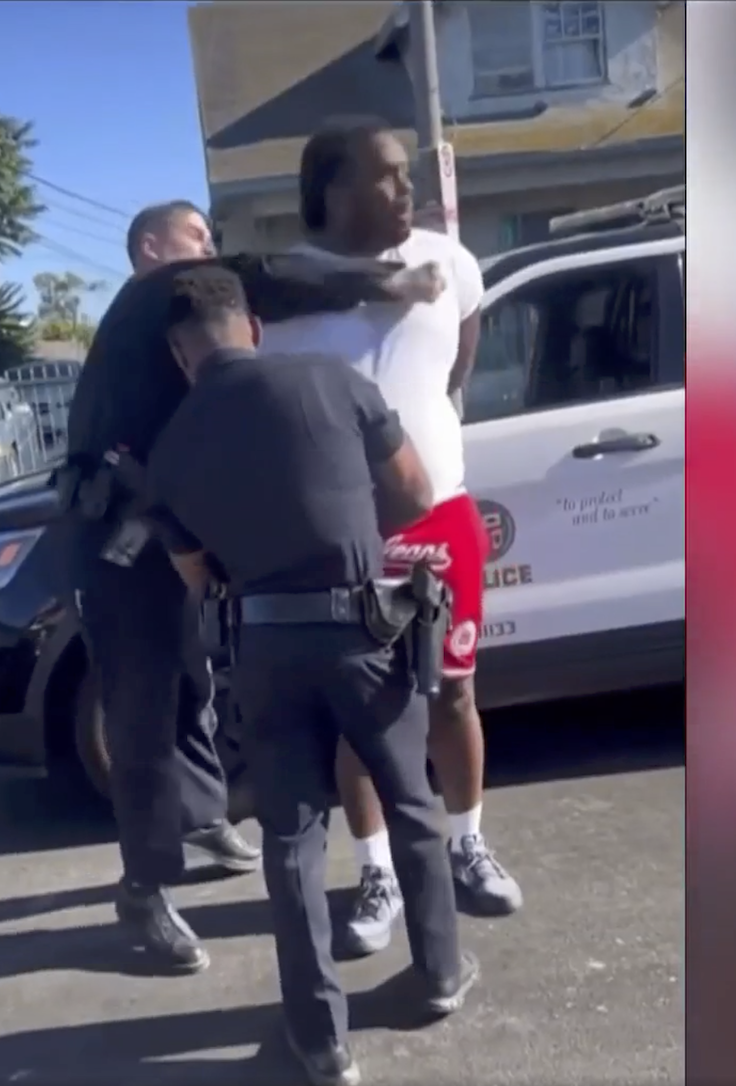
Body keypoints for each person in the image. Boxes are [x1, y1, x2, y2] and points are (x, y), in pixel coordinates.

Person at [63, 199, 447, 974]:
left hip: (172, 521)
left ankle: (201, 816)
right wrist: (388, 282)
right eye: (198, 236)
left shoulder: (162, 341)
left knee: (192, 677)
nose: (211, 247)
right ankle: (143, 890)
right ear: (151, 249)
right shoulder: (153, 293)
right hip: (122, 542)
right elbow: (258, 277)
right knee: (139, 712)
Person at [146, 265, 479, 1086]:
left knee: (290, 837)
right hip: (365, 630)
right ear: (251, 327)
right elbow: (414, 492)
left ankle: (321, 1041)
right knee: (408, 798)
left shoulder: (170, 448)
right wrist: (347, 534)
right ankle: (438, 974)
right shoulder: (333, 381)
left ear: (179, 355)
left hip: (261, 650)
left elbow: (199, 580)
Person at [257, 118, 524, 958]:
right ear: (332, 191)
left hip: (441, 516)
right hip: (346, 538)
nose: (406, 189)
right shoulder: (282, 288)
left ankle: (467, 844)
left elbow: (455, 371)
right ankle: (376, 874)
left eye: (409, 173)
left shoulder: (452, 263)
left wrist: (427, 444)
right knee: (363, 720)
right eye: (385, 176)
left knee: (451, 693)